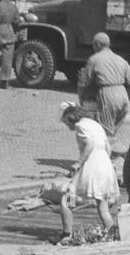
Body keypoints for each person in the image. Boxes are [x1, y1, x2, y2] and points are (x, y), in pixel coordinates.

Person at [47, 103, 120, 242]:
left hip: (92, 167)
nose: (68, 127)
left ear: (71, 118)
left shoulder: (80, 126)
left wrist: (78, 163)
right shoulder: (96, 125)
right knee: (103, 207)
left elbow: (89, 144)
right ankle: (113, 234)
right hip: (105, 166)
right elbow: (108, 149)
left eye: (66, 123)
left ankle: (66, 234)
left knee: (66, 200)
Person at [77, 32, 130, 138]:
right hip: (122, 95)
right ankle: (113, 151)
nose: (93, 47)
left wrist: (81, 96)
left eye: (93, 45)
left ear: (98, 45)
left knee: (105, 132)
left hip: (108, 95)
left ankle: (108, 153)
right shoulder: (120, 59)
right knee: (113, 131)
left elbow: (84, 82)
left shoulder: (94, 59)